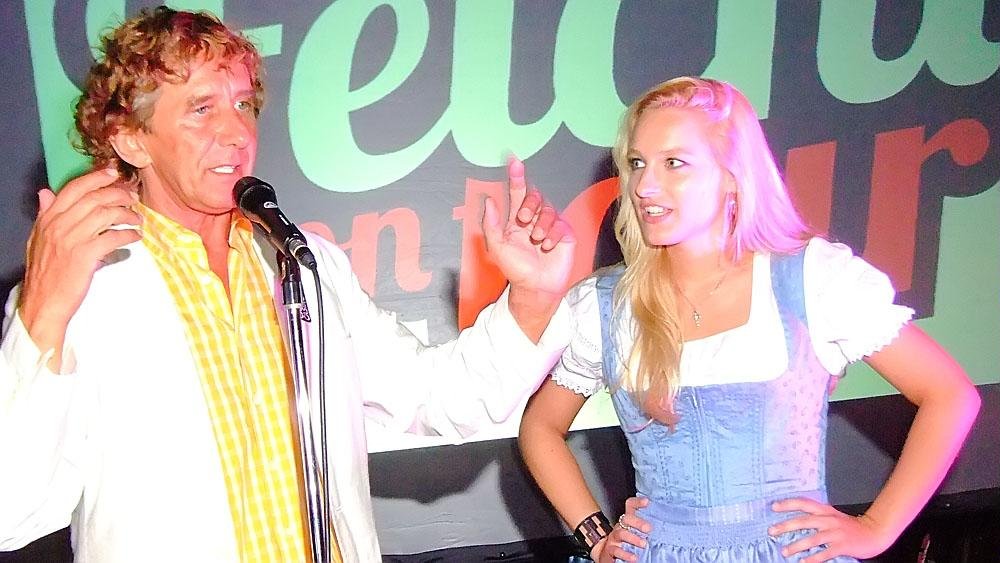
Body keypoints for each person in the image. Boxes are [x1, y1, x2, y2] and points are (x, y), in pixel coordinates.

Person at [0, 7, 575, 562]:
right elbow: (12, 511)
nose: (236, 133)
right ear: (131, 139)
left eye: (243, 104)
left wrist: (531, 296)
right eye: (201, 108)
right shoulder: (84, 289)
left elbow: (441, 397)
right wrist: (43, 313)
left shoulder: (303, 264)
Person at [517, 76, 981, 562]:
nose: (644, 186)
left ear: (733, 175)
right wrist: (596, 537)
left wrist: (876, 527)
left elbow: (949, 395)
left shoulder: (812, 279)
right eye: (637, 163)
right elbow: (540, 427)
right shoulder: (609, 304)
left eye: (674, 163)